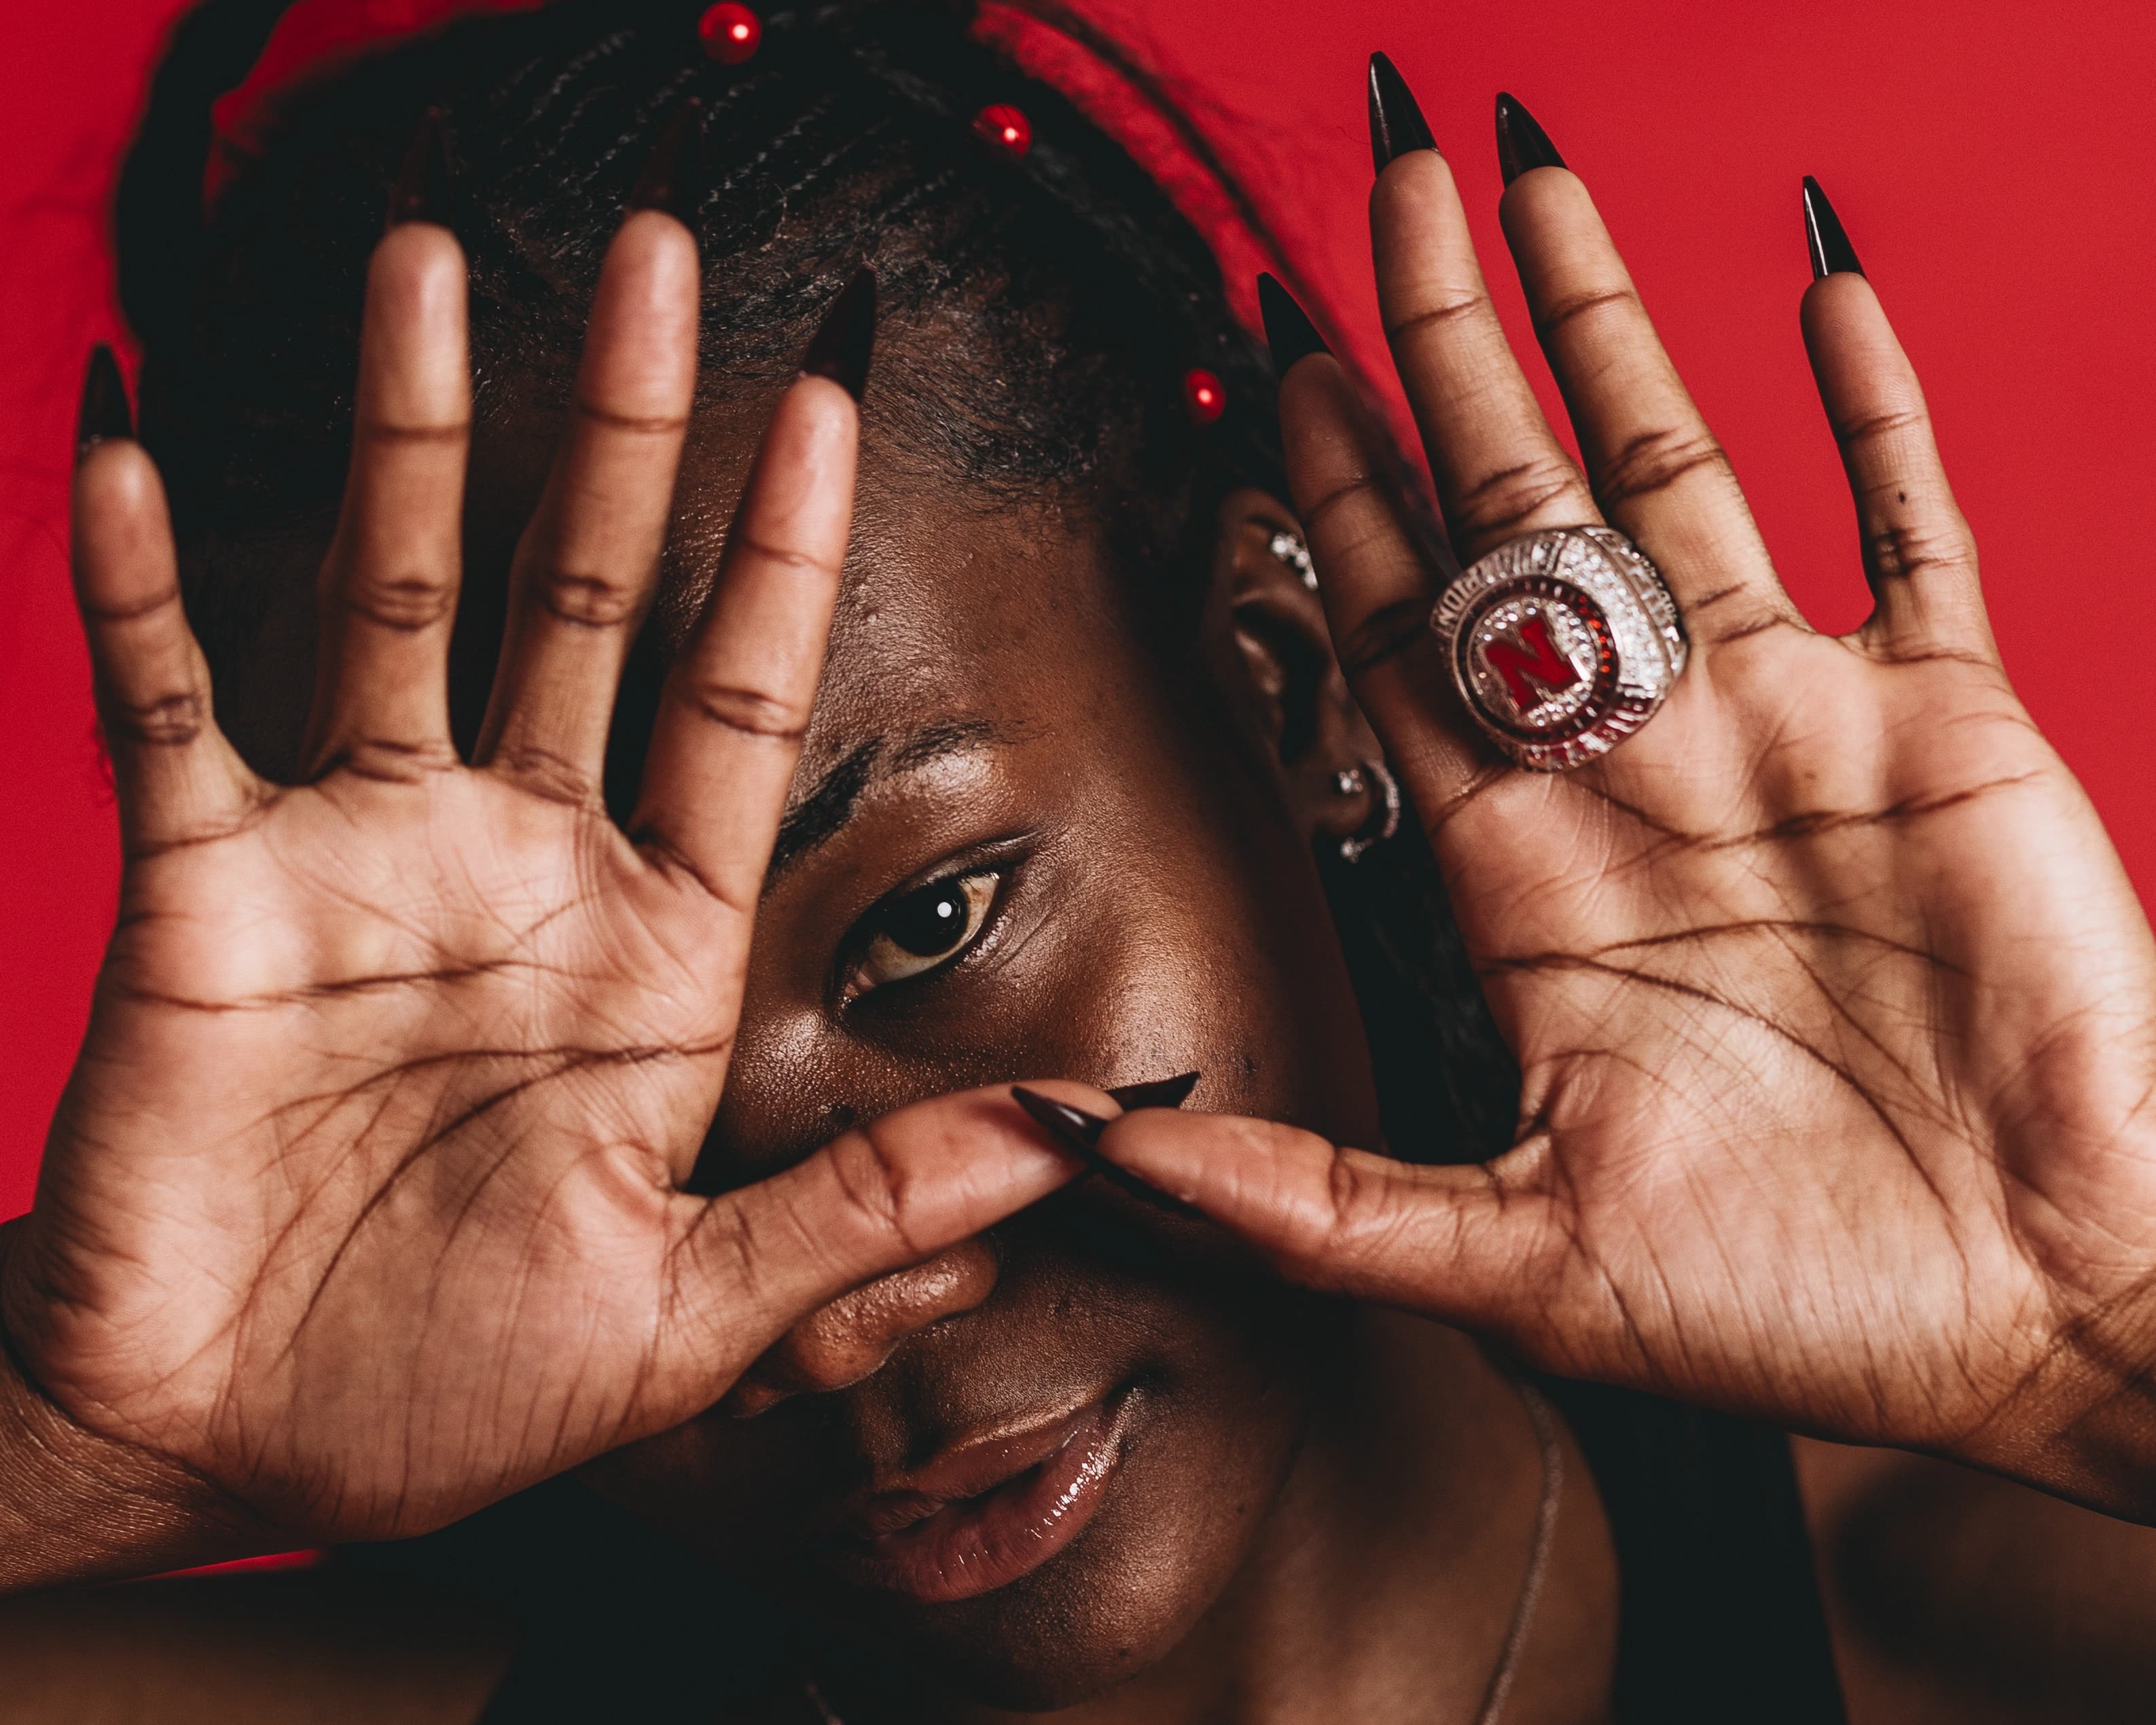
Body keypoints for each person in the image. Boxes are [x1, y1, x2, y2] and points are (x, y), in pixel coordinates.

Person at [6, 1, 2156, 1720]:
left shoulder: (2000, 1606)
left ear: (1292, 693)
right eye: (583, 1106)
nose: (850, 1319)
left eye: (933, 921)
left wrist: (2118, 1342)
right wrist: (72, 1427)